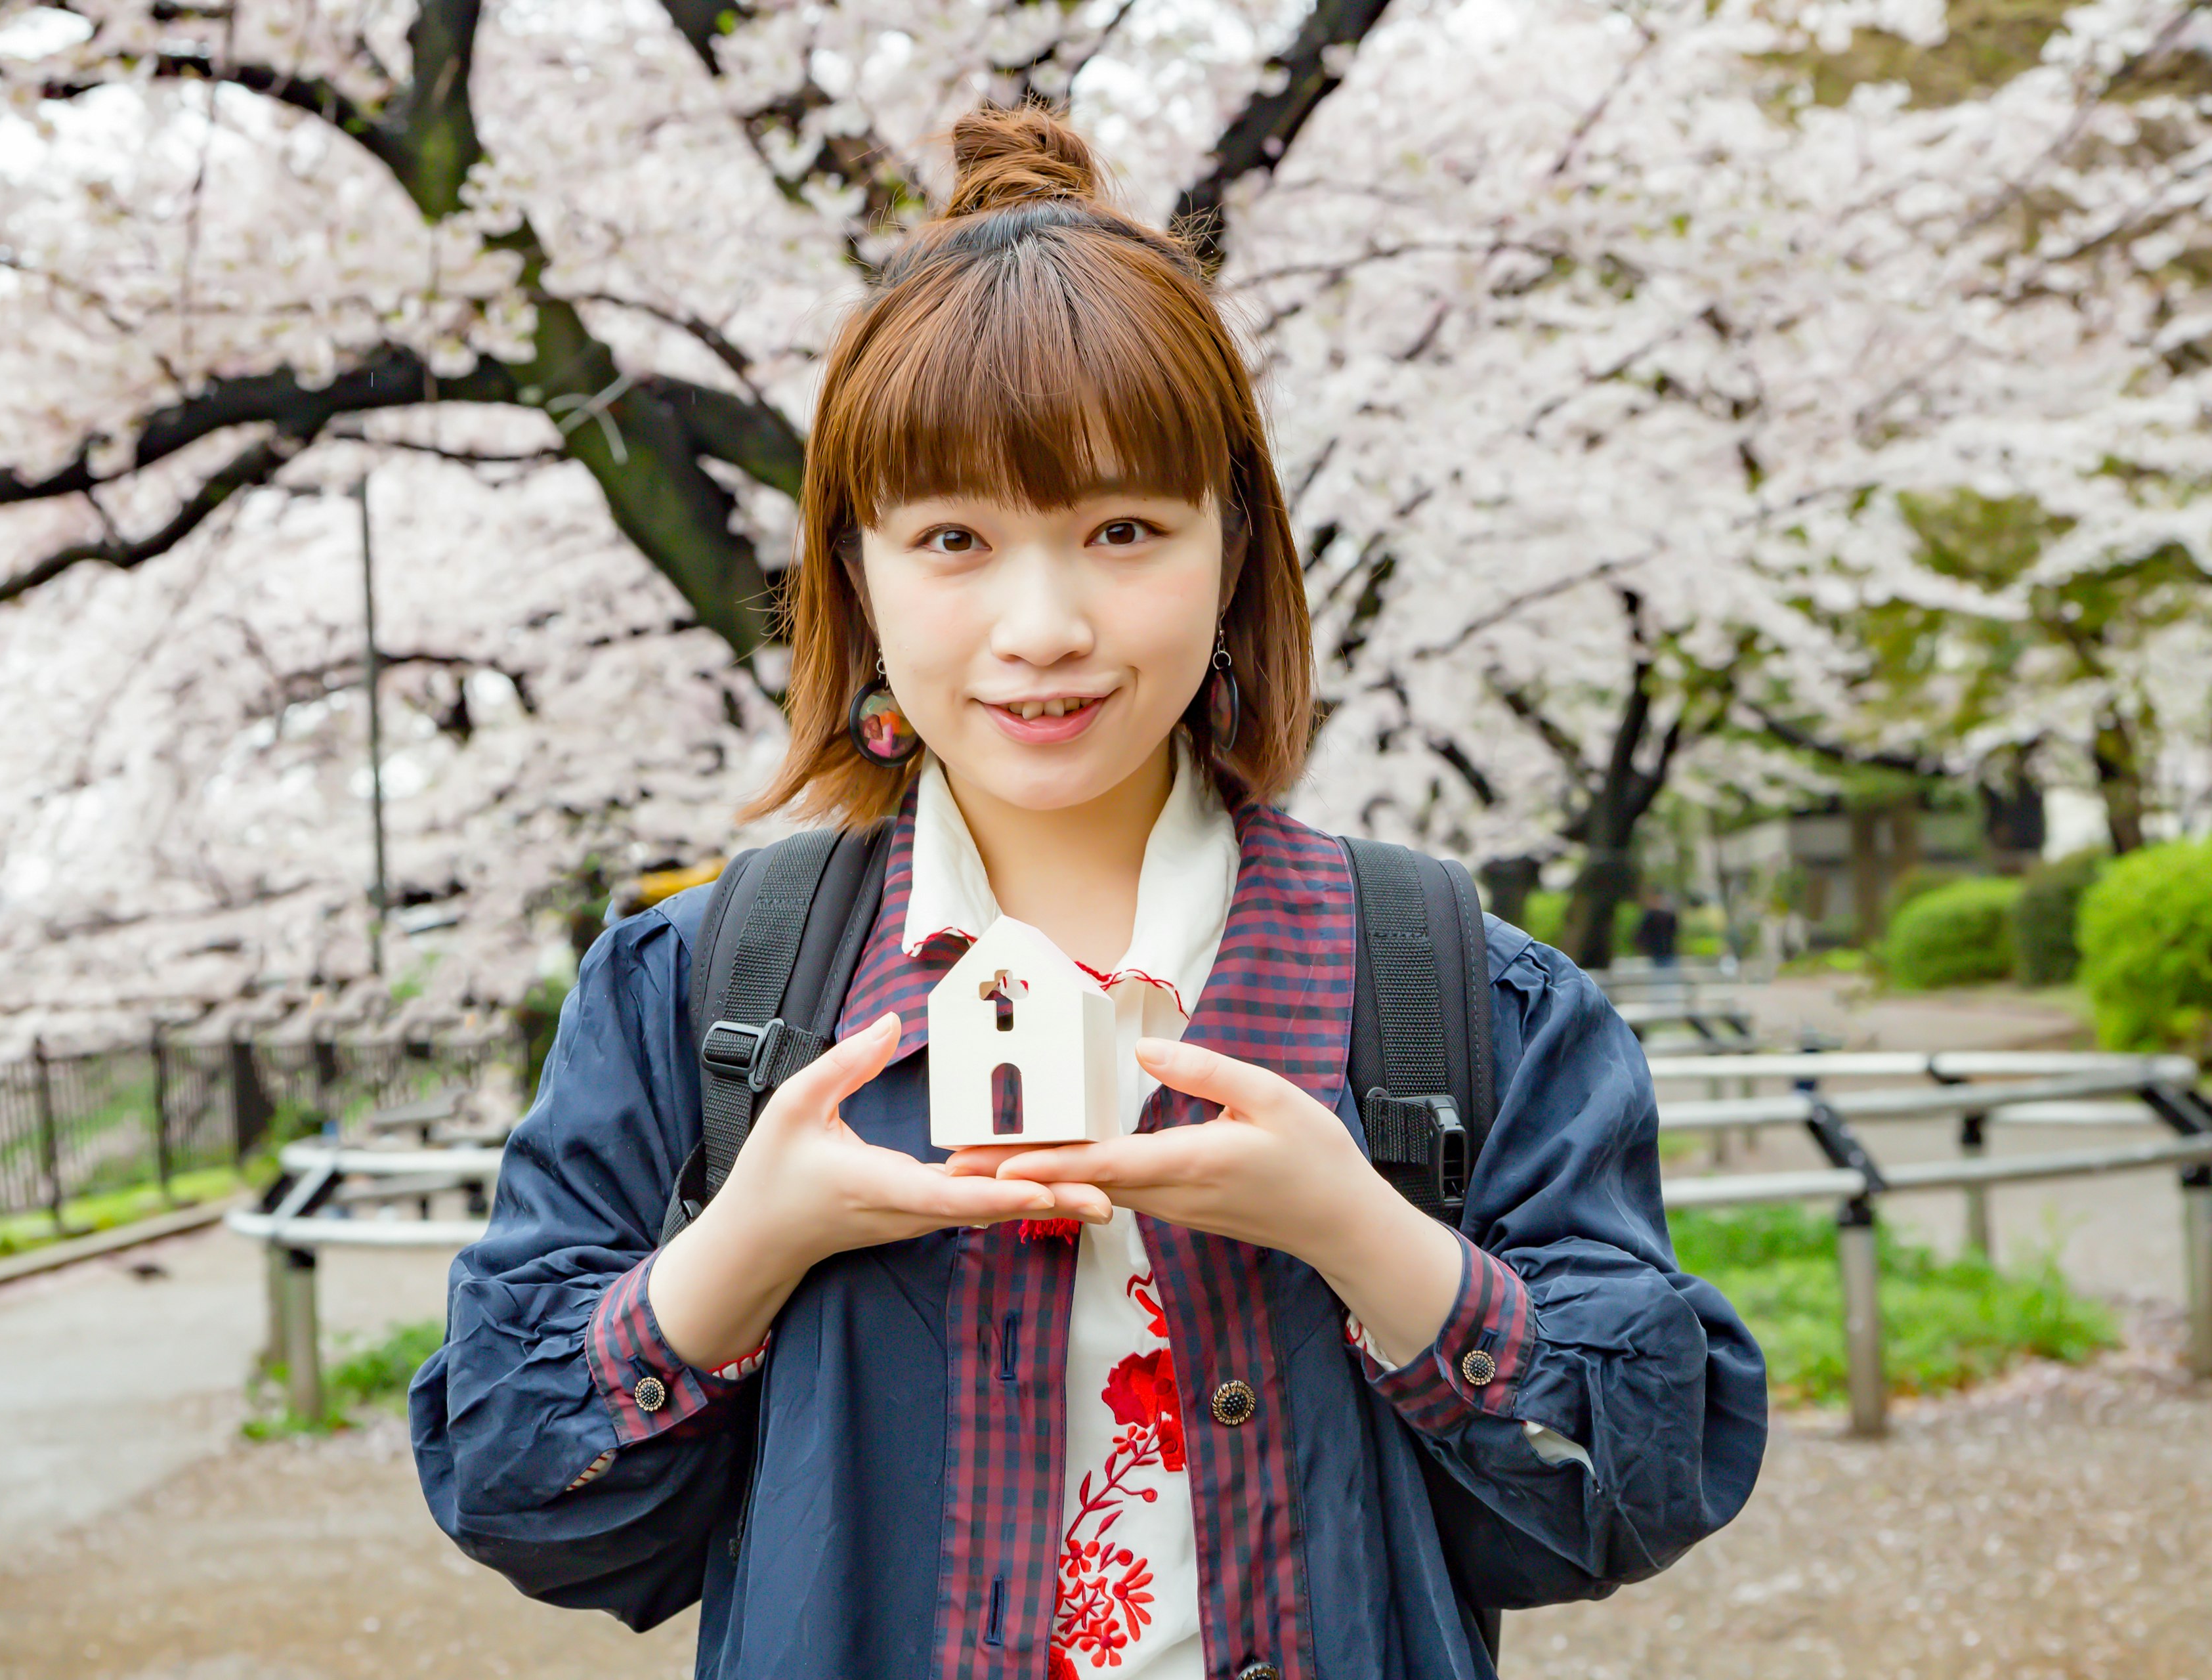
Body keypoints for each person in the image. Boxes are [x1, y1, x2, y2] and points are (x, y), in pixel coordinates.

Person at [411, 106, 1767, 1680]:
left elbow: (1639, 1480)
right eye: (954, 539)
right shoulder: (706, 987)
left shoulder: (1449, 983)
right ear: (855, 571)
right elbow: (512, 1479)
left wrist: (1356, 1230)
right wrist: (746, 1245)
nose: (1042, 623)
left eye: (1123, 528)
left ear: (1234, 545)